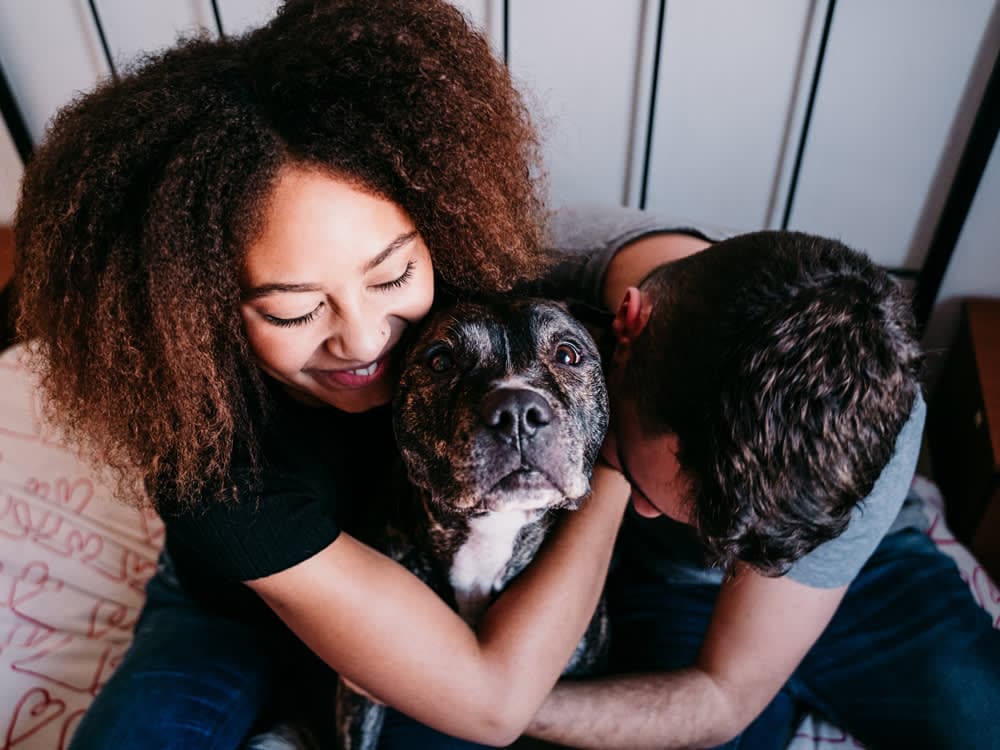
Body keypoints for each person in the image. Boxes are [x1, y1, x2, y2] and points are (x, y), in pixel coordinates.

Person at [12, 3, 632, 748]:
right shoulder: (211, 467)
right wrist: (616, 464)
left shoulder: (474, 291)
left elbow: (638, 263)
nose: (366, 338)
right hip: (230, 612)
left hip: (426, 594)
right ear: (198, 309)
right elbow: (493, 705)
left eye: (393, 273)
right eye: (295, 310)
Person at [521, 205, 1000, 749]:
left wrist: (507, 707)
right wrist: (494, 699)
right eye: (629, 473)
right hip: (669, 584)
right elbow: (717, 694)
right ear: (629, 325)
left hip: (867, 571)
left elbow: (729, 695)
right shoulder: (533, 263)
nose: (646, 507)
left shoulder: (876, 402)